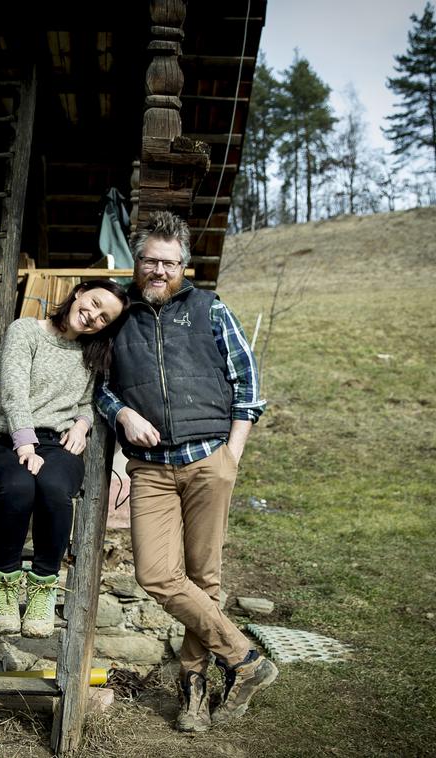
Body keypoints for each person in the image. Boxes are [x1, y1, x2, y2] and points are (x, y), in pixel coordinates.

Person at [95, 211, 275, 732]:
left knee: (204, 579)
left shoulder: (210, 309)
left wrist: (231, 456)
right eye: (149, 260)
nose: (158, 270)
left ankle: (193, 691)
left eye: (169, 263)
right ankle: (245, 659)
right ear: (137, 261)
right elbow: (99, 384)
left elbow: (248, 386)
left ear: (184, 265)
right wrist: (121, 413)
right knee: (156, 574)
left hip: (208, 462)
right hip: (150, 469)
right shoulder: (118, 314)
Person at [0, 279, 128, 638]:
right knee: (18, 485)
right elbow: (13, 391)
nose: (92, 316)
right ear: (78, 294)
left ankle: (43, 588)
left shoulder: (92, 354)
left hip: (57, 445)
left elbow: (90, 400)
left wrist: (83, 424)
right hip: (4, 439)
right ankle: (5, 587)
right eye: (92, 304)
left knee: (56, 489)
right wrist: (24, 445)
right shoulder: (25, 330)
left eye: (104, 318)